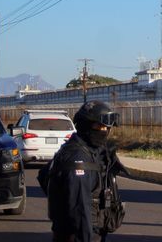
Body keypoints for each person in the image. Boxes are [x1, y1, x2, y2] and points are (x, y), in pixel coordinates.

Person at [45, 100, 128, 242]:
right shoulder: (78, 157)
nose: (104, 131)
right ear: (86, 125)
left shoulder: (91, 151)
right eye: (99, 126)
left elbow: (44, 176)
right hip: (80, 235)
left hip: (92, 231)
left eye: (107, 128)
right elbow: (80, 208)